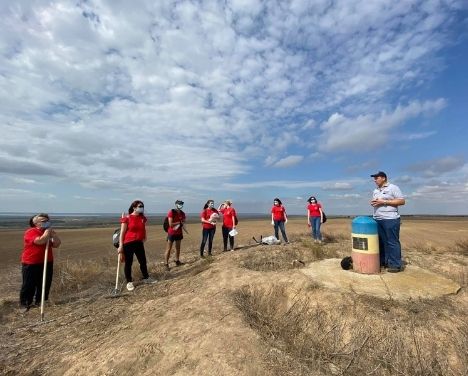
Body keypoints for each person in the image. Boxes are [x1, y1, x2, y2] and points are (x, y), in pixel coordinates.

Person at [20, 213, 61, 313]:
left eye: (47, 221)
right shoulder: (31, 232)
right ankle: (25, 303)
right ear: (36, 223)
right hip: (31, 262)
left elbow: (57, 244)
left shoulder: (48, 232)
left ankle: (41, 301)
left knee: (45, 282)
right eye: (43, 221)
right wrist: (47, 233)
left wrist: (53, 235)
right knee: (29, 284)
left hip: (47, 261)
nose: (46, 222)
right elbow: (40, 241)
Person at [370, 171, 406, 273]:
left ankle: (395, 264)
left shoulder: (393, 188)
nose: (375, 180)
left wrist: (384, 201)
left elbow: (402, 201)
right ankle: (384, 262)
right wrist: (374, 203)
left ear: (384, 178)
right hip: (377, 219)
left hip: (390, 219)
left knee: (392, 242)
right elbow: (377, 202)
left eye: (376, 178)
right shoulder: (376, 190)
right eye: (374, 178)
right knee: (381, 242)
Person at [117, 200, 156, 291]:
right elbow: (122, 232)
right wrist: (121, 245)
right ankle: (129, 282)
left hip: (139, 242)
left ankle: (146, 278)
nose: (141, 207)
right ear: (134, 207)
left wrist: (145, 236)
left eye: (142, 206)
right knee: (128, 263)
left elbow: (143, 228)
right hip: (128, 243)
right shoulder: (127, 218)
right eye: (139, 206)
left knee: (143, 261)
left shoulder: (142, 218)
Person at [164, 200, 186, 270]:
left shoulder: (183, 213)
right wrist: (179, 222)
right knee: (169, 249)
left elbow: (184, 221)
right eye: (179, 204)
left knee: (178, 248)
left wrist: (181, 223)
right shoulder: (171, 212)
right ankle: (166, 264)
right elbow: (170, 224)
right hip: (171, 233)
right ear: (176, 204)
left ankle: (177, 260)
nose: (181, 205)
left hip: (179, 233)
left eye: (182, 204)